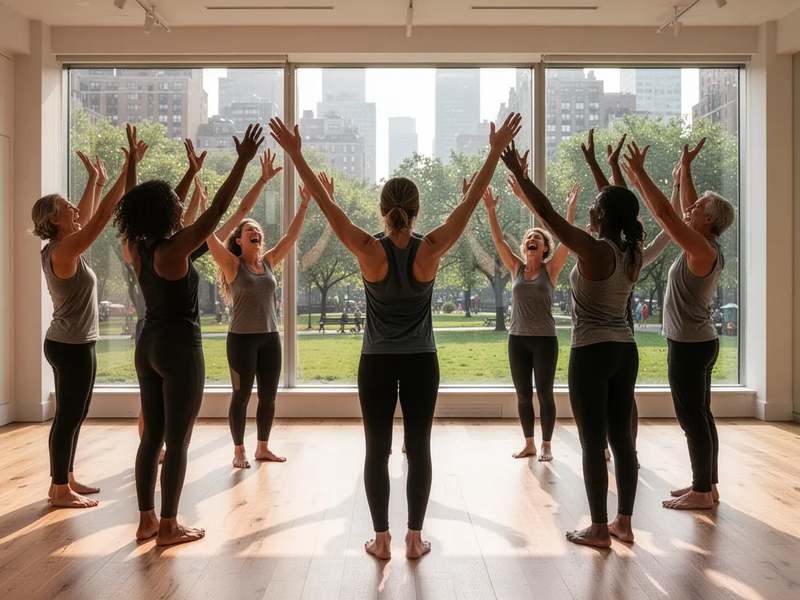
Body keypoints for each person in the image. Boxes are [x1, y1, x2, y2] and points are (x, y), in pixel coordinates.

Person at [269, 113, 521, 560]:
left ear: (382, 209)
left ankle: (381, 540)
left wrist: (296, 154)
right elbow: (470, 204)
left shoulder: (369, 250)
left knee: (377, 450)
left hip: (377, 363)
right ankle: (414, 538)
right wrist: (495, 150)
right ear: (416, 209)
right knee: (419, 448)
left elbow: (329, 208)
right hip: (422, 360)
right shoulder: (430, 248)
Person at [115, 123, 264, 546]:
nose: (181, 210)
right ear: (166, 215)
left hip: (147, 346)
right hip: (179, 347)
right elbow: (217, 209)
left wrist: (136, 167)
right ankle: (169, 526)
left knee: (152, 439)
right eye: (174, 207)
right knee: (178, 441)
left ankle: (146, 520)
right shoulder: (173, 249)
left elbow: (136, 205)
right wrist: (241, 162)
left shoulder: (138, 246)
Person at [502, 138, 644, 548]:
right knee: (622, 440)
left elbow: (547, 215)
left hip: (592, 352)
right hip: (625, 350)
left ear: (602, 215)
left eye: (594, 207)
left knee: (591, 440)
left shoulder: (596, 249)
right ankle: (624, 524)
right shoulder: (631, 248)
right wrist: (608, 172)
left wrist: (521, 175)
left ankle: (599, 529)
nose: (588, 211)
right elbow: (622, 203)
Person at [622, 138, 735, 511]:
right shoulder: (703, 243)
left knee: (692, 419)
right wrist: (684, 168)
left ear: (710, 221)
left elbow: (669, 216)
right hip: (698, 341)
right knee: (702, 415)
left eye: (699, 207)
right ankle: (708, 486)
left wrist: (639, 176)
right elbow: (684, 210)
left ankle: (702, 491)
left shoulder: (701, 249)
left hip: (689, 345)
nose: (692, 207)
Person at [33, 145, 129, 509]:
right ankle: (58, 489)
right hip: (70, 346)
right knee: (69, 415)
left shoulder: (64, 245)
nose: (74, 209)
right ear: (56, 220)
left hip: (73, 342)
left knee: (76, 413)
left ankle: (67, 477)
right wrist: (125, 172)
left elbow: (87, 216)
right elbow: (99, 220)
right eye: (67, 207)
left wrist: (95, 180)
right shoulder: (62, 251)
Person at [206, 154, 310, 470]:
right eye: (249, 229)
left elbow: (291, 237)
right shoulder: (231, 264)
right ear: (238, 240)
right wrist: (205, 209)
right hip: (241, 340)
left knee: (268, 397)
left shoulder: (267, 262)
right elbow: (208, 237)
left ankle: (262, 447)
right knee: (240, 397)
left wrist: (304, 204)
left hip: (269, 339)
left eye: (258, 229)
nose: (256, 231)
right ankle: (239, 450)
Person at [489, 178, 578, 461]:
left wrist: (570, 210)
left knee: (545, 395)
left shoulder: (550, 271)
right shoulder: (516, 267)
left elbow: (567, 238)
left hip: (544, 341)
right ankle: (529, 444)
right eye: (529, 237)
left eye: (536, 239)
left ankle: (547, 446)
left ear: (544, 249)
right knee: (523, 395)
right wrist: (491, 210)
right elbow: (499, 241)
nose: (531, 240)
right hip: (517, 340)